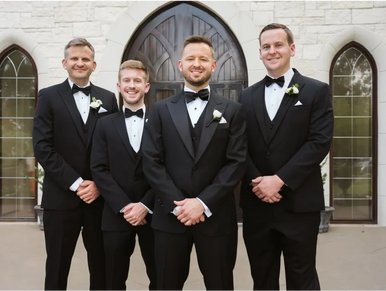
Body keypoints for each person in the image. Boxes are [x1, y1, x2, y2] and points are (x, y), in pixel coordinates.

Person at [142, 35, 247, 291]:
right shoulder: (160, 109)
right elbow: (151, 161)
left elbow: (236, 162)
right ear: (180, 65)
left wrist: (202, 203)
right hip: (170, 216)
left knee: (220, 284)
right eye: (191, 58)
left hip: (216, 217)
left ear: (213, 65)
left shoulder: (232, 110)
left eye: (203, 59)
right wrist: (180, 206)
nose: (196, 63)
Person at [239, 23, 334, 291]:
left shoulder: (316, 91)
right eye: (266, 47)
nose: (272, 51)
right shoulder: (246, 97)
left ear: (291, 48)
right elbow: (238, 146)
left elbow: (319, 143)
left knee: (302, 278)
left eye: (278, 45)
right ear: (259, 53)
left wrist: (279, 180)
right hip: (257, 205)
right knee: (262, 278)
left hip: (300, 204)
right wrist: (259, 182)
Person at [33, 38, 119, 291]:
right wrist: (78, 183)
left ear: (94, 64)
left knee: (101, 266)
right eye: (74, 58)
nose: (80, 63)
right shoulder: (48, 97)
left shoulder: (108, 98)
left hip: (99, 201)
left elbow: (115, 148)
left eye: (85, 59)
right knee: (57, 266)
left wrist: (99, 185)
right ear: (64, 63)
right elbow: (42, 147)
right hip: (60, 199)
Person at [90, 60, 156, 291]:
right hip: (116, 214)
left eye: (137, 81)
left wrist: (144, 205)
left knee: (160, 278)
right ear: (119, 86)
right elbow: (99, 168)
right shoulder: (105, 124)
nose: (131, 85)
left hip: (154, 213)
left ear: (146, 86)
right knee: (113, 280)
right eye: (126, 80)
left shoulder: (163, 121)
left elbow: (167, 167)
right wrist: (125, 206)